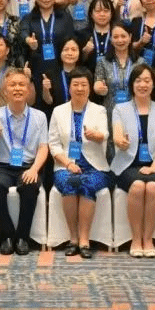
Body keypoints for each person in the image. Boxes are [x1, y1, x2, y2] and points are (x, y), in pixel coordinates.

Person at [0, 69, 50, 255]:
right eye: (12, 85)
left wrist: (35, 169)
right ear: (5, 91)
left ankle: (22, 237)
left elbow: (43, 147)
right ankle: (6, 235)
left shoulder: (39, 116)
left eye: (22, 85)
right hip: (2, 167)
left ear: (29, 90)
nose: (17, 88)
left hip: (28, 166)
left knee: (30, 186)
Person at [111, 65, 155, 258]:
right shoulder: (120, 109)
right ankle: (135, 239)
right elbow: (117, 134)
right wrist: (120, 142)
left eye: (147, 80)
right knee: (138, 186)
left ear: (153, 84)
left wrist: (154, 166)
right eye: (138, 81)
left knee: (153, 187)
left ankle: (148, 240)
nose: (143, 85)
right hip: (128, 165)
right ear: (132, 85)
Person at [48, 68, 111, 259]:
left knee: (87, 184)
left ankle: (85, 240)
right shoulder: (58, 111)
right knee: (69, 182)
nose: (80, 88)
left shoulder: (99, 110)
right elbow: (53, 144)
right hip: (66, 165)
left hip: (95, 166)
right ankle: (73, 238)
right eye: (75, 84)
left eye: (84, 85)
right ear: (69, 88)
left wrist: (96, 136)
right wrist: (68, 164)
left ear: (90, 88)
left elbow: (104, 135)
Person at [19, 0, 76, 78]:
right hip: (35, 68)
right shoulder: (28, 18)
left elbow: (71, 40)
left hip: (60, 68)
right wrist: (28, 40)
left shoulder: (65, 17)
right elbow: (23, 32)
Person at [95, 23, 146, 113]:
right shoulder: (103, 62)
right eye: (115, 37)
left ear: (130, 37)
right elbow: (98, 81)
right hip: (110, 112)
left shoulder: (140, 62)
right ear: (111, 39)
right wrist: (99, 88)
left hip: (134, 111)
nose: (120, 40)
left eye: (123, 36)